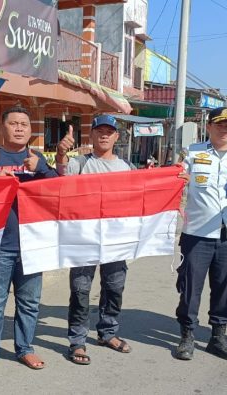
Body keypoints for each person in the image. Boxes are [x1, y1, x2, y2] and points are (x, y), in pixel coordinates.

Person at [0, 106, 58, 375]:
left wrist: (42, 168)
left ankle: (25, 348)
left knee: (29, 303)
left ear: (30, 130)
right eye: (14, 123)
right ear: (3, 127)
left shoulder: (38, 159)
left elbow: (59, 189)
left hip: (33, 246)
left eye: (24, 124)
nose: (19, 128)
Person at [172, 107, 227, 362]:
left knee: (226, 288)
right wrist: (178, 180)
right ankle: (187, 336)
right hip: (197, 234)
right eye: (219, 124)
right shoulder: (192, 154)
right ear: (208, 126)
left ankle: (218, 338)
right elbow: (173, 180)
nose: (224, 129)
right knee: (190, 288)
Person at [52, 115, 136, 366]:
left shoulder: (127, 167)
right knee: (80, 290)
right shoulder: (80, 163)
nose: (104, 135)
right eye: (100, 130)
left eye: (109, 131)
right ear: (91, 135)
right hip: (84, 238)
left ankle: (108, 333)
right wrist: (60, 153)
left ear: (116, 137)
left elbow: (142, 195)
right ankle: (77, 340)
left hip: (116, 239)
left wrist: (176, 178)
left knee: (114, 287)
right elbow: (61, 174)